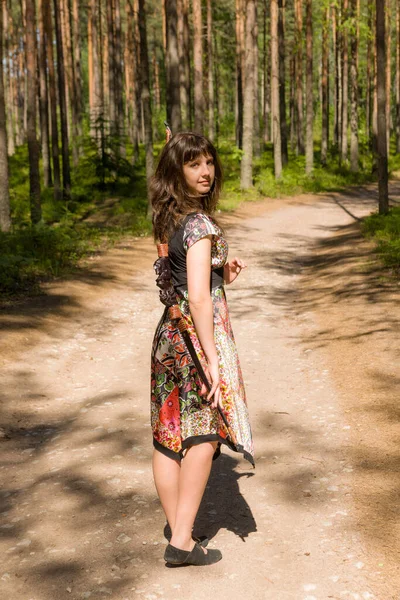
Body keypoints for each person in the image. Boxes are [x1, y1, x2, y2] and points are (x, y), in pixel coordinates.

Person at [150, 132, 254, 567]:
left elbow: (175, 280)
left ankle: (181, 531)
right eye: (194, 165)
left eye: (208, 162)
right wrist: (211, 358)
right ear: (177, 171)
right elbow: (197, 298)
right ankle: (181, 542)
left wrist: (221, 274)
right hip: (194, 337)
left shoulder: (168, 219)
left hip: (167, 337)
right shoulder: (200, 225)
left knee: (168, 435)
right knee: (204, 435)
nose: (206, 172)